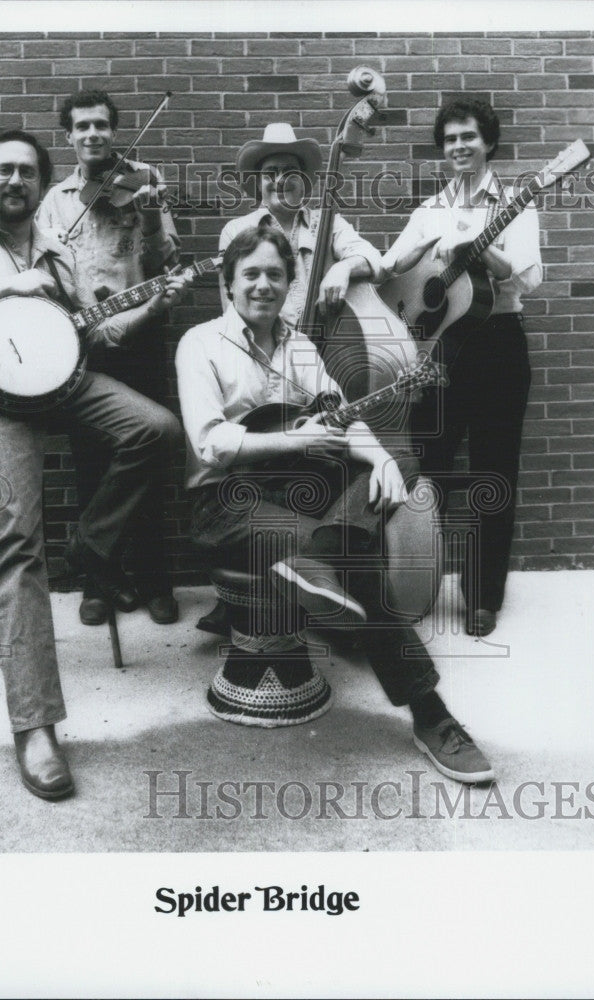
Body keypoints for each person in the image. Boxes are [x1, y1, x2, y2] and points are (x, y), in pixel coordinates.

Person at [0, 129, 188, 801]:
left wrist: (141, 303)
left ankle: (91, 546)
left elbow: (86, 328)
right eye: (3, 170)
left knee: (157, 430)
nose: (15, 181)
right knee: (16, 544)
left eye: (27, 173)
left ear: (40, 185)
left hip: (64, 387)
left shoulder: (58, 248)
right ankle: (35, 729)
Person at [175, 226, 494, 784]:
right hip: (226, 498)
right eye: (250, 274)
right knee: (357, 561)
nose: (263, 285)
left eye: (275, 274)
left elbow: (343, 417)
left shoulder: (300, 346)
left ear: (288, 283)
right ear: (228, 284)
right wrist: (296, 441)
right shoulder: (199, 343)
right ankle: (431, 715)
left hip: (296, 485)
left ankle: (327, 549)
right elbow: (213, 442)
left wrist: (384, 461)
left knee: (399, 460)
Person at [197, 121, 385, 636]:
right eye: (270, 172)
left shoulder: (326, 222)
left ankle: (313, 580)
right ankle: (253, 591)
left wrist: (343, 269)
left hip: (311, 357)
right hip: (257, 369)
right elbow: (235, 315)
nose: (280, 181)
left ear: (306, 180)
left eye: (291, 173)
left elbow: (378, 259)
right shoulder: (238, 232)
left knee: (330, 463)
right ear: (258, 181)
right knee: (261, 469)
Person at [382, 97, 542, 637]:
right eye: (450, 140)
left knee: (494, 471)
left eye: (468, 137)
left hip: (497, 343)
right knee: (430, 468)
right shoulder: (429, 209)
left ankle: (482, 596)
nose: (459, 148)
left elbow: (528, 279)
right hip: (439, 351)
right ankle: (418, 584)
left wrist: (480, 250)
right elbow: (394, 266)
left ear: (489, 142)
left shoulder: (518, 202)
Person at [36, 89, 182, 627]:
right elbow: (48, 270)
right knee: (91, 462)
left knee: (149, 460)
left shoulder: (143, 183)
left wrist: (148, 215)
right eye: (82, 127)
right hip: (81, 343)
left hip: (140, 336)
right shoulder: (55, 201)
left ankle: (155, 579)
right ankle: (98, 581)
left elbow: (167, 259)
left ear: (114, 132)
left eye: (101, 125)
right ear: (69, 136)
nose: (93, 134)